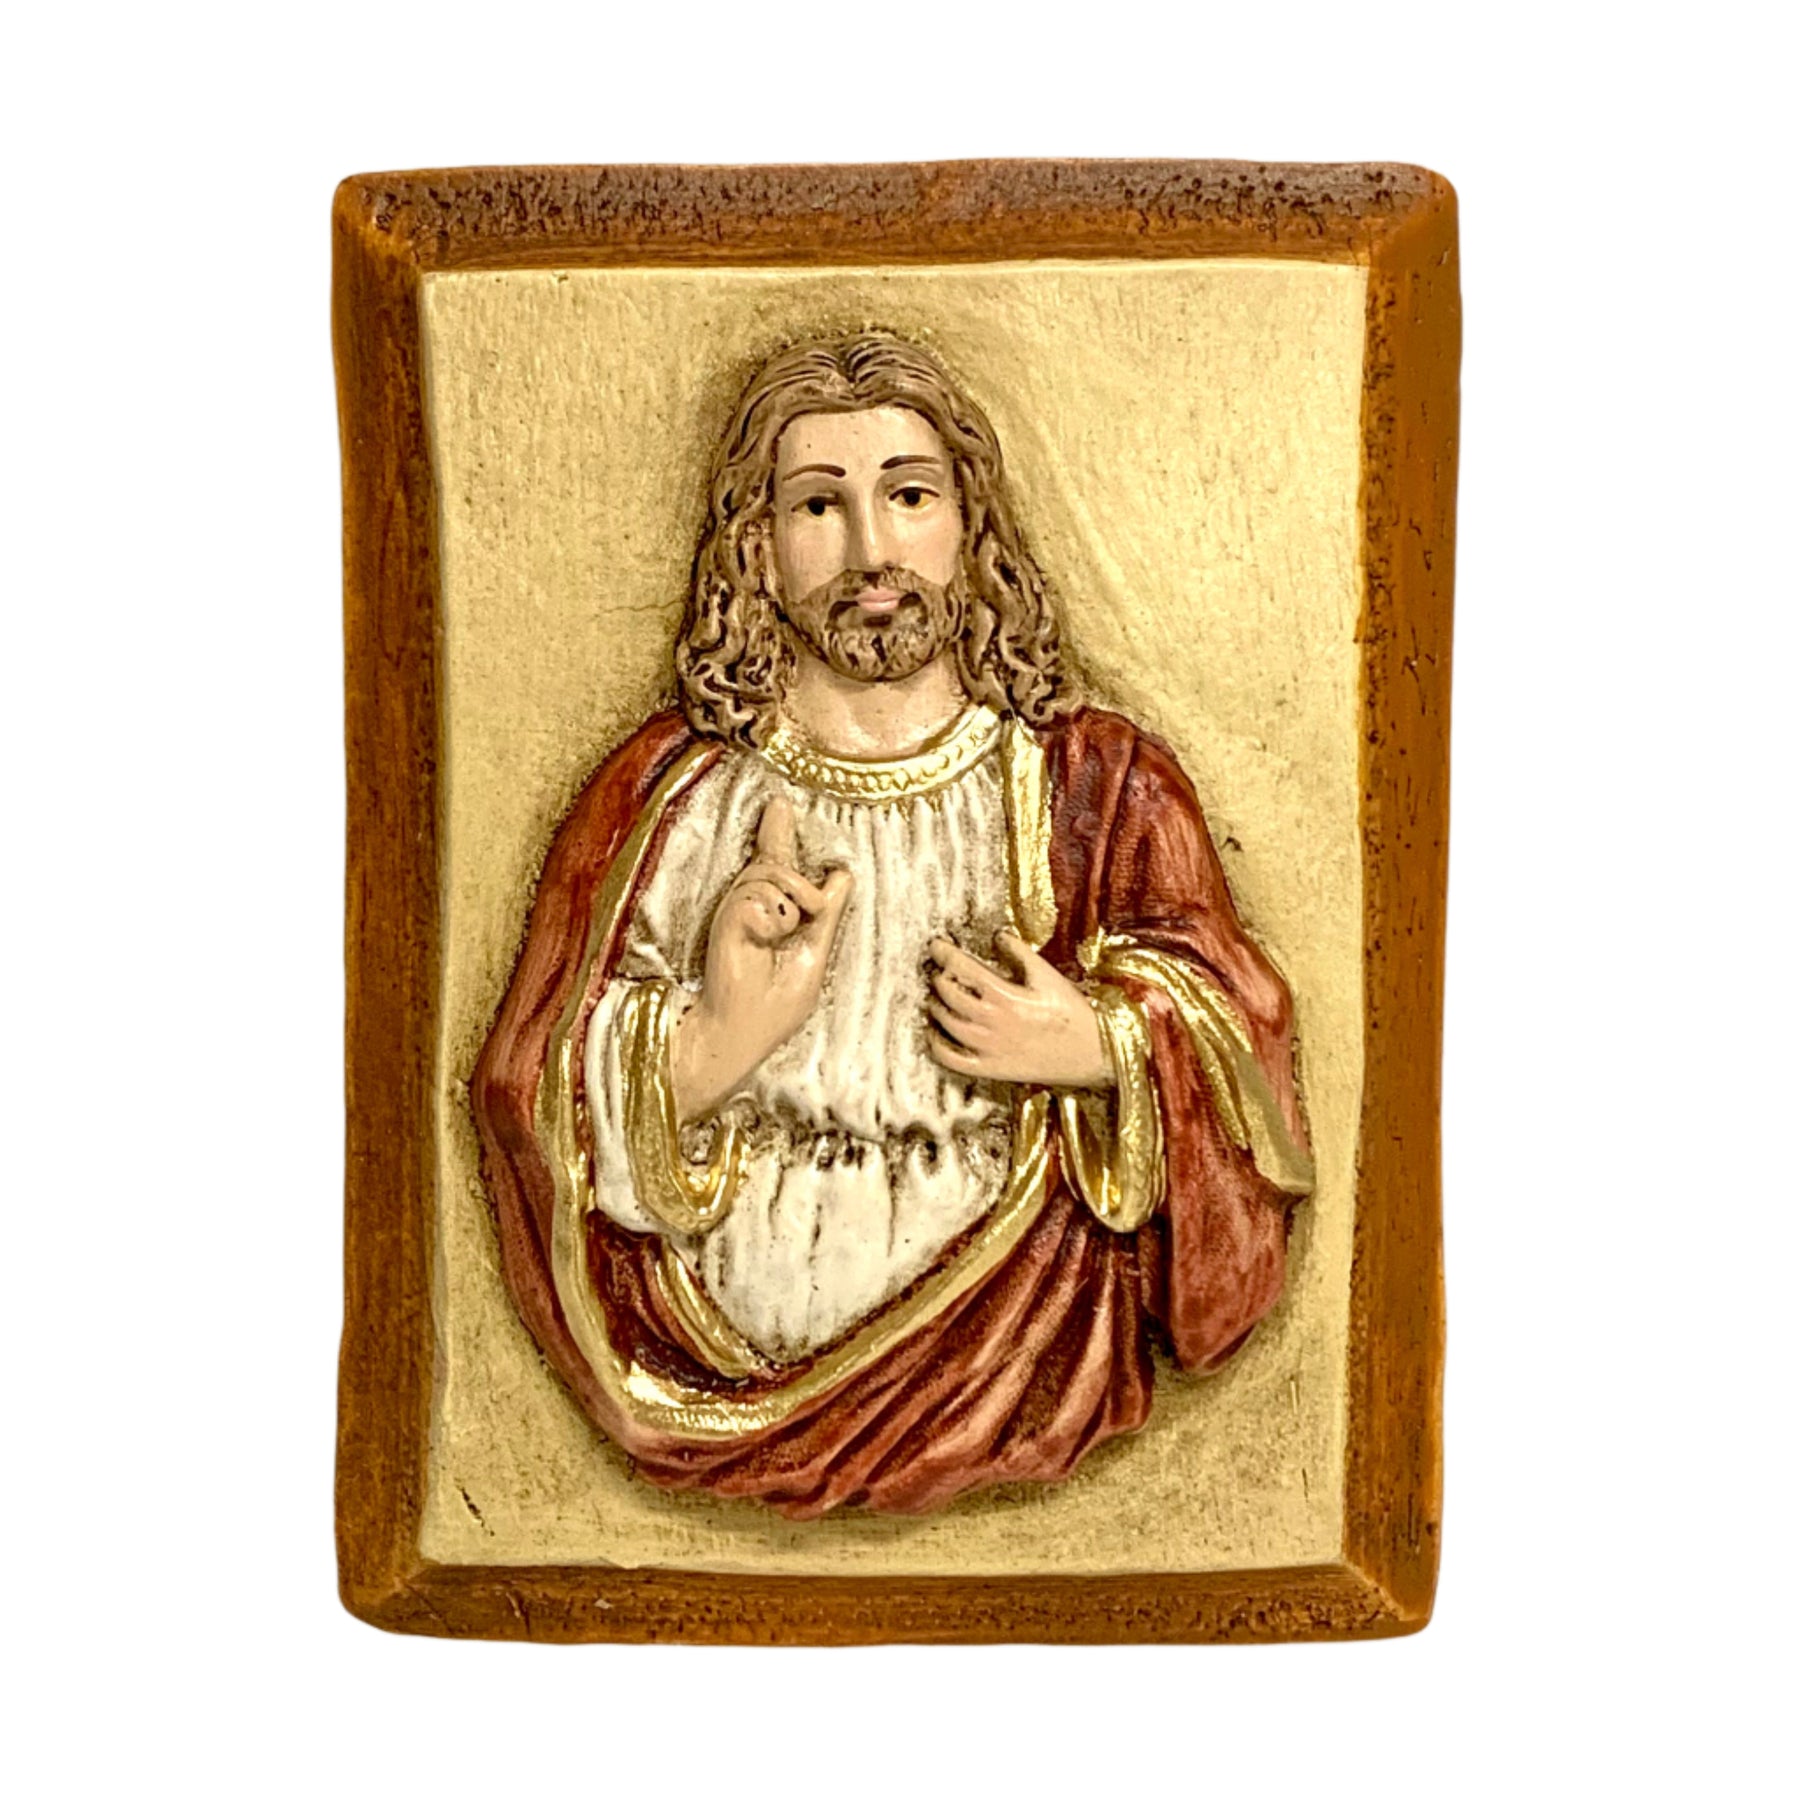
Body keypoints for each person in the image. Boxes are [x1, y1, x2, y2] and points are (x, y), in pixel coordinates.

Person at [471, 331, 1313, 1518]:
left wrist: (1104, 1048)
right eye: (820, 505)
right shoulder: (664, 799)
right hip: (703, 1371)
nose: (873, 551)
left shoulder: (1098, 791)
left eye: (909, 496)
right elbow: (525, 1091)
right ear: (758, 547)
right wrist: (712, 1043)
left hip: (1013, 1367)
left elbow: (1246, 1043)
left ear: (970, 524)